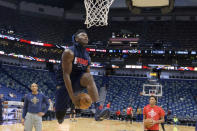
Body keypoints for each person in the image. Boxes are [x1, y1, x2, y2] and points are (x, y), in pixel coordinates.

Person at [55, 29, 110, 124]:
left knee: (89, 76)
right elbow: (66, 75)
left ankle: (98, 109)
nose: (86, 36)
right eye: (82, 35)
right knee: (60, 118)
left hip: (77, 83)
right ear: (76, 39)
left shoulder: (87, 57)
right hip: (64, 84)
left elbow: (88, 77)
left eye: (87, 36)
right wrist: (73, 97)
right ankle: (63, 108)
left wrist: (80, 94)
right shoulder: (69, 52)